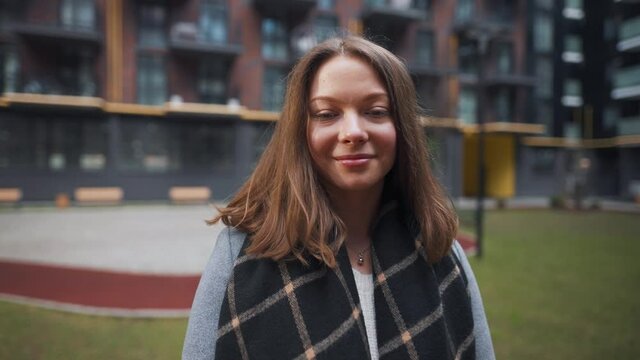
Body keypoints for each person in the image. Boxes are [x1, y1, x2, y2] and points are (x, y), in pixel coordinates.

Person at [183, 35, 495, 360]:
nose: (353, 131)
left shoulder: (442, 252)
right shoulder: (240, 252)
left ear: (401, 126)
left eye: (375, 111)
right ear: (300, 131)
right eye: (327, 114)